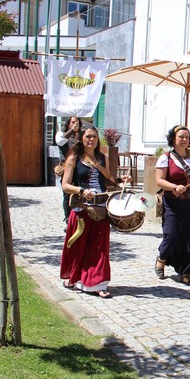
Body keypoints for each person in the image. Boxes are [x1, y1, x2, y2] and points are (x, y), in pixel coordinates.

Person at [60, 124, 131, 299]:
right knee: (79, 246)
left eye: (94, 136)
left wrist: (119, 180)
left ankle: (98, 283)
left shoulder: (101, 158)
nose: (91, 139)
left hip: (100, 208)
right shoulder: (73, 158)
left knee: (99, 248)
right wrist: (81, 190)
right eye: (88, 136)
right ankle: (76, 277)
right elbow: (65, 185)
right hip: (81, 208)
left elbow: (105, 182)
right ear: (81, 138)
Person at [154, 124, 190, 285]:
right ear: (173, 139)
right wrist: (174, 187)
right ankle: (162, 257)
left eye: (187, 137)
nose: (184, 139)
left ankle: (185, 272)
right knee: (172, 234)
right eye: (181, 137)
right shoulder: (165, 158)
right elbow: (159, 180)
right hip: (172, 203)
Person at [55, 116, 82, 225]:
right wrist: (71, 131)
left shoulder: (81, 135)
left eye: (77, 122)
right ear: (68, 124)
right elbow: (60, 142)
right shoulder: (61, 134)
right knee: (67, 194)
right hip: (66, 168)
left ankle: (79, 217)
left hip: (79, 168)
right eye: (72, 122)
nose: (75, 124)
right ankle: (68, 219)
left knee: (80, 192)